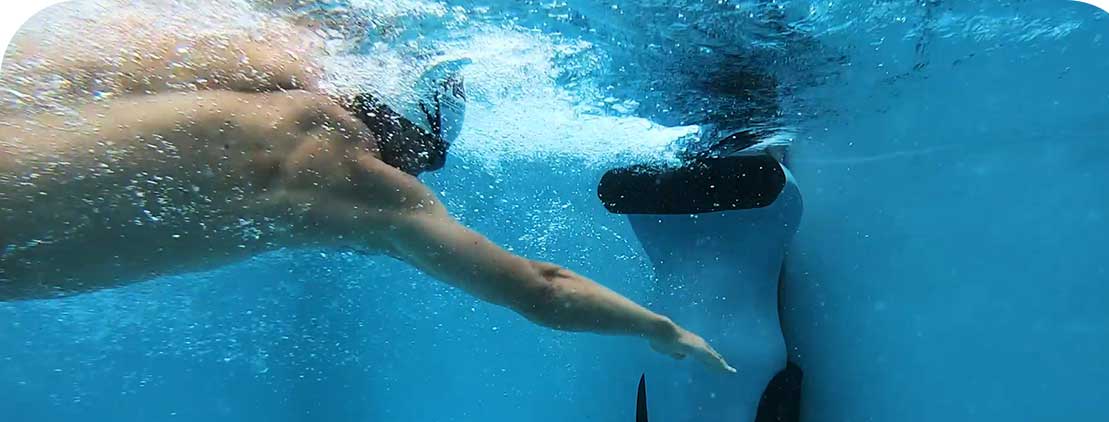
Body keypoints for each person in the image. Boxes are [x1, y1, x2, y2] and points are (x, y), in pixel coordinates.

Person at [0, 6, 735, 373]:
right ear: (407, 137)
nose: (417, 175)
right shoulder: (362, 185)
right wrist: (661, 330)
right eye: (422, 161)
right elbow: (538, 290)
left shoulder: (235, 89)